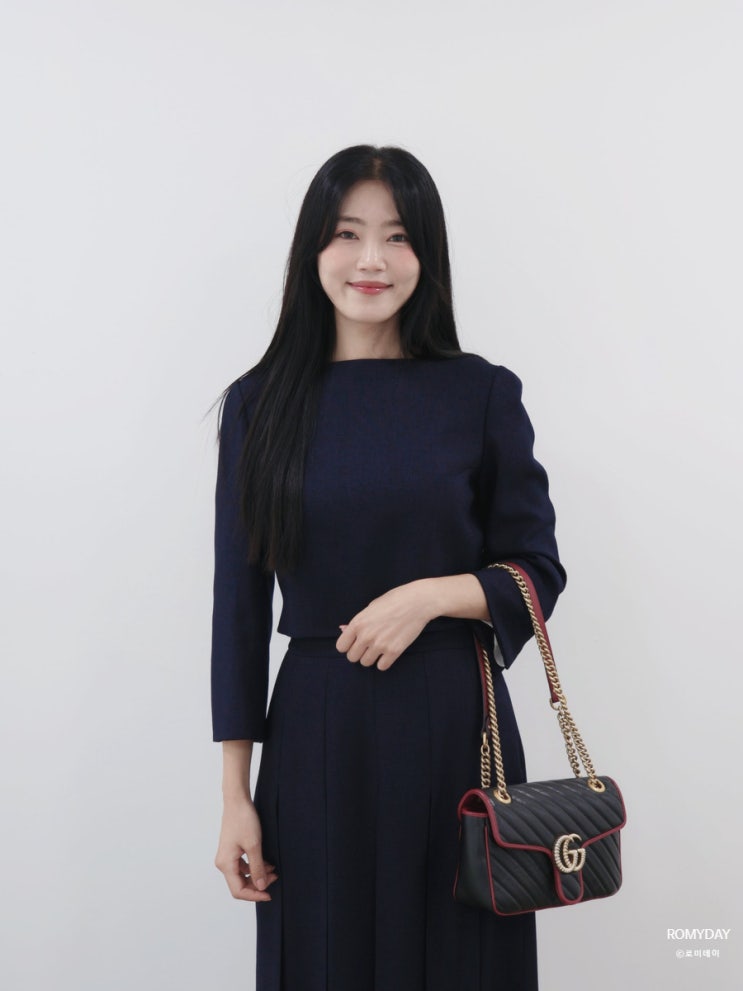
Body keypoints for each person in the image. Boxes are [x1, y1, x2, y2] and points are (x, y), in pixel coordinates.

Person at [210, 144, 566, 991]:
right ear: (313, 249)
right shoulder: (259, 403)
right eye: (346, 233)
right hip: (316, 734)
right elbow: (238, 609)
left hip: (457, 730)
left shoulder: (480, 393)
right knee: (322, 957)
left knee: (460, 962)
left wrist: (429, 596)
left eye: (397, 236)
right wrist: (235, 795)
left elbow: (537, 572)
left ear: (425, 254)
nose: (370, 258)